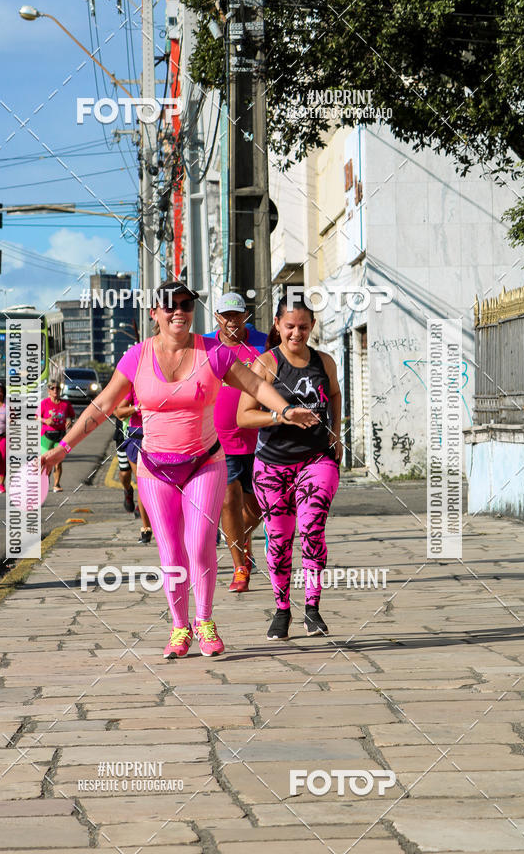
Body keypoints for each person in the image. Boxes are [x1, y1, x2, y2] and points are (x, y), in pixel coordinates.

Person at [41, 281, 316, 660]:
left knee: (201, 543)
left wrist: (284, 412)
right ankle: (179, 627)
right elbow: (103, 403)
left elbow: (255, 383)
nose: (178, 312)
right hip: (155, 469)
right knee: (170, 553)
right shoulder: (136, 357)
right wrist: (61, 449)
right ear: (154, 312)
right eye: (169, 305)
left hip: (205, 463)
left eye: (186, 305)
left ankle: (204, 621)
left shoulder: (213, 353)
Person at [238, 294, 343, 640]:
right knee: (280, 540)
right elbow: (244, 416)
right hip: (272, 466)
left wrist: (336, 434)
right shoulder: (265, 364)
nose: (296, 333)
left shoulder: (324, 362)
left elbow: (336, 395)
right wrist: (281, 414)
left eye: (303, 326)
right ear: (278, 327)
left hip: (317, 460)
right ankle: (282, 609)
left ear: (312, 326)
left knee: (313, 528)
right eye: (289, 326)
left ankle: (312, 608)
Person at [204, 292, 267, 592]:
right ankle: (240, 567)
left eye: (236, 314)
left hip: (261, 438)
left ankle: (241, 543)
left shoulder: (264, 343)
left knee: (260, 507)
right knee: (229, 501)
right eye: (225, 315)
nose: (231, 320)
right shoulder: (203, 346)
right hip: (220, 439)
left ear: (245, 316)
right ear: (216, 316)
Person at [114, 388, 153, 543]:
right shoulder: (133, 385)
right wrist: (137, 407)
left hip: (162, 434)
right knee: (142, 483)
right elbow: (118, 411)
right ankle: (146, 528)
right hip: (136, 436)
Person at [37, 380, 75, 492]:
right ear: (48, 391)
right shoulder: (44, 403)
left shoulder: (66, 404)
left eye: (57, 388)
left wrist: (69, 420)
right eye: (52, 388)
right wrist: (45, 420)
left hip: (61, 436)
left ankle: (56, 485)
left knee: (58, 462)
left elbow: (72, 416)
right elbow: (35, 416)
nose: (55, 390)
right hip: (46, 437)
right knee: (46, 462)